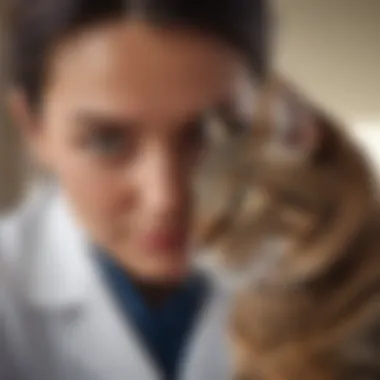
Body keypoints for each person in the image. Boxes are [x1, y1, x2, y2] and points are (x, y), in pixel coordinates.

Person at [0, 0, 270, 379]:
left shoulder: (344, 283)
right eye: (106, 142)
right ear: (34, 130)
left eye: (209, 136)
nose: (168, 198)